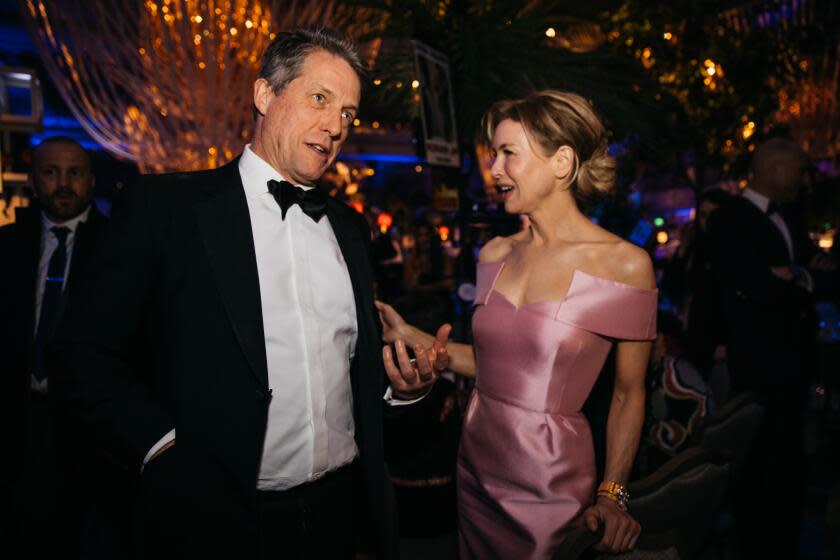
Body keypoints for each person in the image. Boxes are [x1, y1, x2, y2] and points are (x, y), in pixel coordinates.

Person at [49, 28, 443, 559]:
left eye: (348, 113)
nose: (335, 126)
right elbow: (82, 356)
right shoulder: (165, 211)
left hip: (341, 513)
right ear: (264, 95)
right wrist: (158, 447)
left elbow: (347, 371)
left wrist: (403, 391)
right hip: (215, 516)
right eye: (320, 98)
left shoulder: (350, 228)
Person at [379, 90, 657, 558]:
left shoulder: (624, 266)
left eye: (509, 154)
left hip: (549, 480)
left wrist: (612, 495)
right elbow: (496, 368)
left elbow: (630, 392)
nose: (495, 169)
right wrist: (411, 335)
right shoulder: (494, 254)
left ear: (561, 162)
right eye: (495, 155)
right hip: (474, 466)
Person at [706, 136, 820, 558]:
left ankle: (784, 542)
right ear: (774, 169)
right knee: (758, 461)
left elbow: (819, 274)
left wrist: (796, 278)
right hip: (758, 365)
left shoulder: (791, 216)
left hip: (796, 364)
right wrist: (793, 281)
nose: (804, 179)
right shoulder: (729, 220)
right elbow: (754, 286)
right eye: (799, 169)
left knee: (791, 462)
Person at [0, 137, 113, 559]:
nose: (63, 184)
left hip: (90, 431)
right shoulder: (8, 245)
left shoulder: (118, 246)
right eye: (51, 172)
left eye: (74, 173)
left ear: (91, 180)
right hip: (17, 423)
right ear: (33, 179)